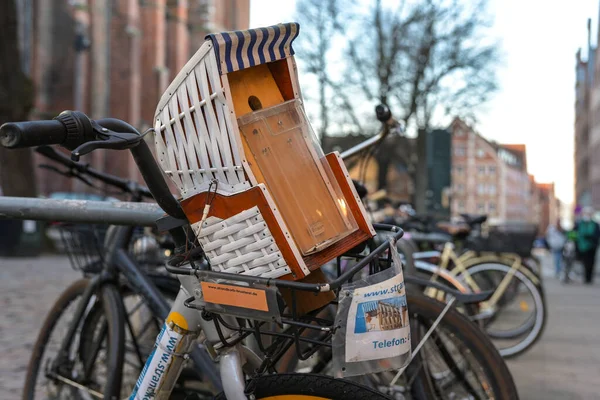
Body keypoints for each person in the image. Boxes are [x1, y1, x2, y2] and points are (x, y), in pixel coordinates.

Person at [574, 207, 600, 284]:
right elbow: (574, 233)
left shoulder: (595, 224)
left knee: (591, 262)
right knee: (585, 262)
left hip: (592, 247)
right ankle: (586, 277)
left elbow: (597, 235)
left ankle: (589, 277)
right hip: (582, 246)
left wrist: (590, 237)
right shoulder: (579, 224)